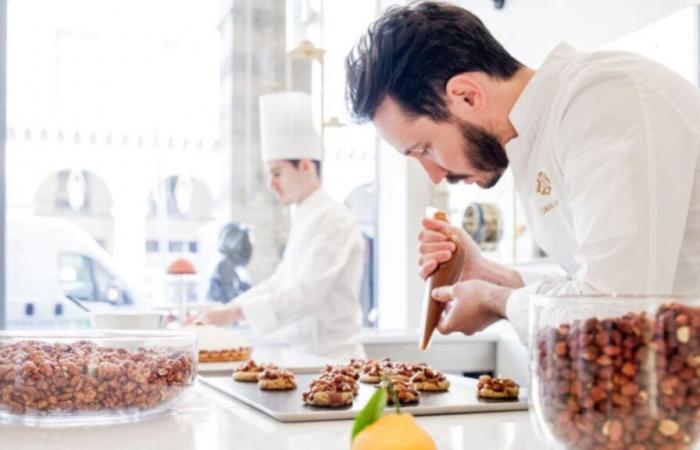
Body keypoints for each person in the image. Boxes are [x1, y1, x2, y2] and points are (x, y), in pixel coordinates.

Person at [344, 1, 700, 343]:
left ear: (466, 95)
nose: (435, 175)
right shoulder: (537, 137)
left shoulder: (601, 101)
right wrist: (488, 273)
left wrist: (493, 300)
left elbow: (613, 315)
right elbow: (583, 284)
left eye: (425, 149)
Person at [198, 91, 366, 359]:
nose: (271, 184)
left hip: (334, 360)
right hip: (303, 357)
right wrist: (224, 311)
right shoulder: (305, 217)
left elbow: (304, 294)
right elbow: (280, 282)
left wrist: (231, 314)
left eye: (277, 173)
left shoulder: (334, 220)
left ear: (306, 167)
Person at [206, 222, 252, 303]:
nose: (241, 246)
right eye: (241, 242)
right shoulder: (225, 265)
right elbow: (231, 297)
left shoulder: (236, 267)